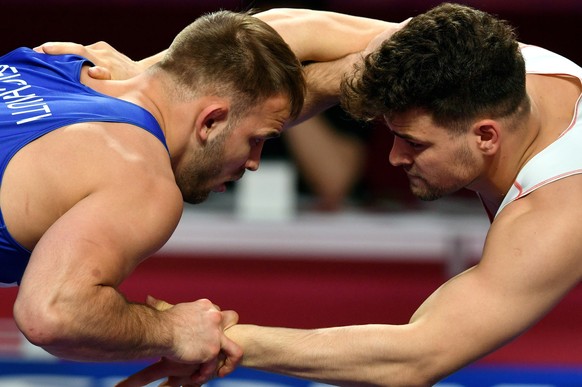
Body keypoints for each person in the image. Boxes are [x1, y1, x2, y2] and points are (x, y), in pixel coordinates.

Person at [90, 3, 580, 387]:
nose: (393, 158)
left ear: (486, 137)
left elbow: (417, 357)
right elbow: (296, 29)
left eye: (415, 143)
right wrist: (147, 80)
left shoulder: (557, 212)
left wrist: (208, 337)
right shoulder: (483, 60)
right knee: (346, 67)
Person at [4, 6, 399, 386]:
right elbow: (51, 314)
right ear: (210, 121)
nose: (253, 163)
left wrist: (423, 43)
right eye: (256, 141)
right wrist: (171, 331)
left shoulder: (53, 64)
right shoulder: (141, 175)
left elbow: (274, 31)